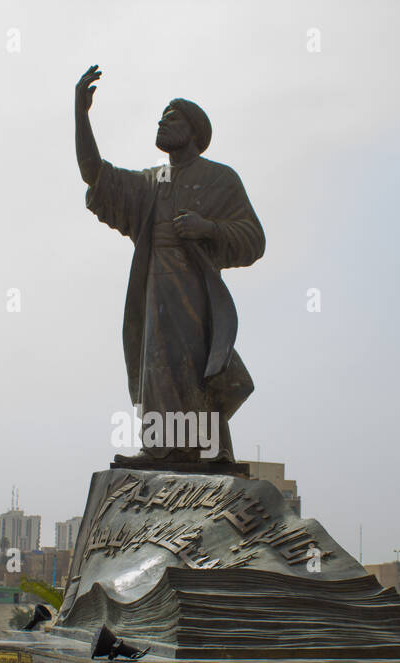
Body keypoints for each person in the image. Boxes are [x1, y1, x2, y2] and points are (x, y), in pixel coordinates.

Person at [74, 64, 265, 465]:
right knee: (158, 368)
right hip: (155, 290)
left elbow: (252, 239)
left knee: (199, 371)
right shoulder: (150, 183)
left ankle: (213, 452)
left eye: (171, 117)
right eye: (160, 117)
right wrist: (81, 114)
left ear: (194, 131)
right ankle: (159, 449)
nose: (161, 123)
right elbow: (97, 175)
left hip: (195, 293)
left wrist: (208, 227)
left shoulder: (220, 179)